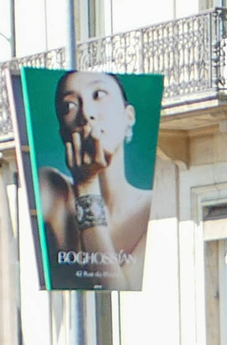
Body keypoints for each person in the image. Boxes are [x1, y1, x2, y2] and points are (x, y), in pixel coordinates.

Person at [34, 69, 153, 290]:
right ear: (63, 131)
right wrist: (84, 185)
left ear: (129, 115)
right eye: (70, 106)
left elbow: (115, 296)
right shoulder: (50, 187)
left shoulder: (153, 208)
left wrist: (87, 187)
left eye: (98, 95)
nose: (86, 113)